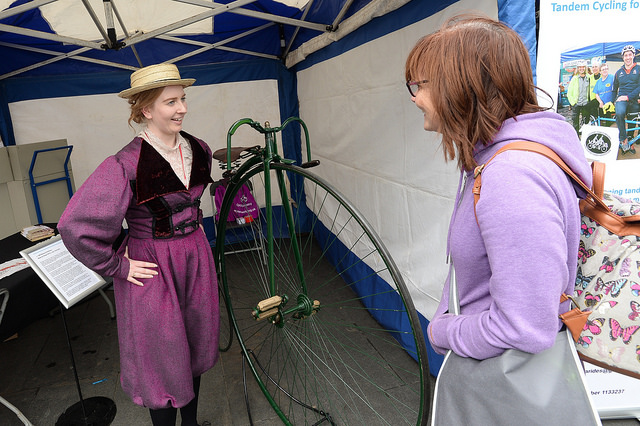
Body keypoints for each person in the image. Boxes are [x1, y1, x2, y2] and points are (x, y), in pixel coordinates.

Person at [405, 13, 591, 373]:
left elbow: (525, 329)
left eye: (421, 84)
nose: (415, 98)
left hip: (504, 383)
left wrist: (443, 331)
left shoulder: (512, 177)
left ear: (461, 85)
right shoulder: (500, 160)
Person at [58, 63, 217, 426]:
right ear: (146, 109)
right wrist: (119, 265)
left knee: (194, 343)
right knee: (161, 357)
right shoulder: (125, 164)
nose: (182, 109)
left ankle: (190, 424)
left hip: (195, 256)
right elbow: (73, 226)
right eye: (171, 102)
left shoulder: (199, 148)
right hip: (152, 266)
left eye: (183, 99)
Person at [612, 44, 640, 154]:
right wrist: (612, 101)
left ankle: (631, 143)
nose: (628, 57)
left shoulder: (638, 69)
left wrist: (628, 97)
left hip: (633, 99)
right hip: (621, 99)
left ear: (633, 55)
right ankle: (623, 139)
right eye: (625, 55)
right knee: (619, 113)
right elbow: (614, 89)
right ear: (623, 57)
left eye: (630, 55)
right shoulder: (618, 72)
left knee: (633, 120)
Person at [567, 59, 593, 134]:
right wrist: (573, 103)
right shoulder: (574, 78)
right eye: (580, 67)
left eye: (583, 67)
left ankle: (584, 136)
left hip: (586, 103)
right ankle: (576, 137)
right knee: (575, 122)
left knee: (585, 122)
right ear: (578, 68)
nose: (581, 68)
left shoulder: (589, 77)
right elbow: (569, 92)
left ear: (585, 67)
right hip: (576, 103)